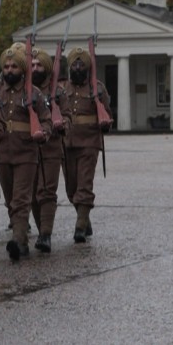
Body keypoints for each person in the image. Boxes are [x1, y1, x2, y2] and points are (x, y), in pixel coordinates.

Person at [0, 47, 51, 261]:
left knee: (22, 199)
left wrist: (43, 133)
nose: (9, 70)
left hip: (26, 153)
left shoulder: (34, 93)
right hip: (4, 152)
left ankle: (19, 240)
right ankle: (20, 235)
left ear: (22, 69)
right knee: (10, 200)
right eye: (6, 66)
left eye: (14, 66)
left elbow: (46, 120)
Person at [60, 47, 112, 242]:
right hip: (67, 142)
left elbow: (107, 114)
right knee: (71, 189)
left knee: (84, 184)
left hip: (89, 142)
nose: (78, 68)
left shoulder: (97, 88)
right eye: (75, 64)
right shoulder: (62, 88)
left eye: (82, 64)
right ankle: (85, 217)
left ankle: (80, 226)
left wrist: (105, 124)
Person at [29, 48, 65, 252]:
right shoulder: (26, 90)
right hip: (29, 149)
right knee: (33, 194)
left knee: (47, 192)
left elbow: (68, 115)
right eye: (32, 65)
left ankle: (45, 234)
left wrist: (61, 123)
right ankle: (41, 228)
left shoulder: (57, 92)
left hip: (51, 148)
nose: (35, 69)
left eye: (39, 65)